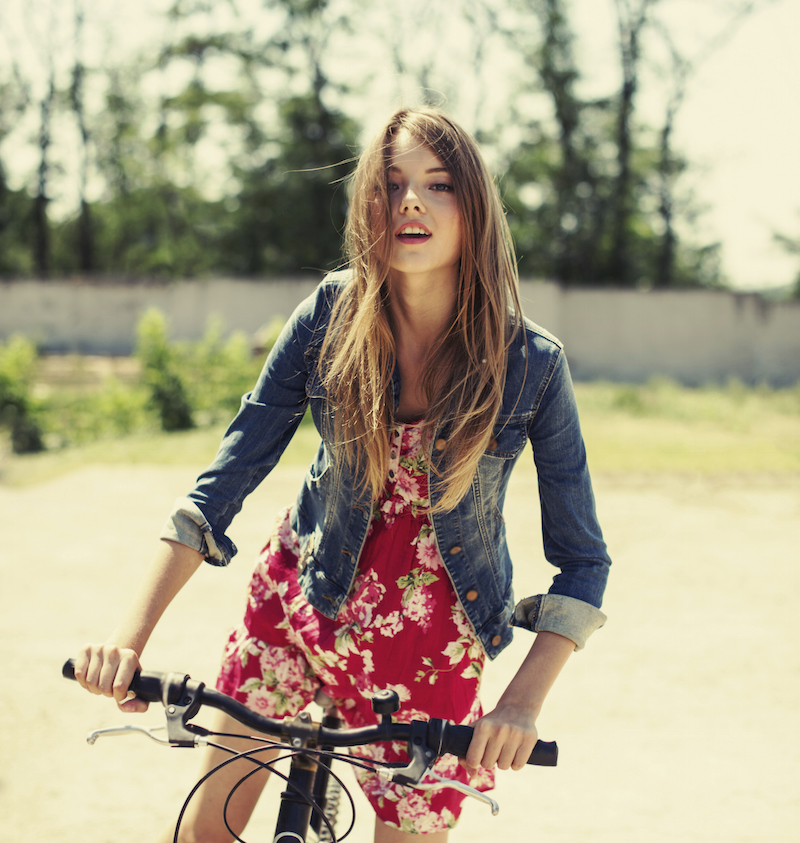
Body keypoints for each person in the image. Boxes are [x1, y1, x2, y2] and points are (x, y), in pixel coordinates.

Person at [73, 107, 611, 842]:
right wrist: (126, 642)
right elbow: (217, 490)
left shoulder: (532, 364)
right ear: (369, 203)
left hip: (429, 649)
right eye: (392, 184)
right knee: (202, 834)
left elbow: (584, 562)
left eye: (438, 184)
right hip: (300, 603)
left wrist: (519, 704)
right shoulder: (329, 316)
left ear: (475, 211)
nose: (411, 201)